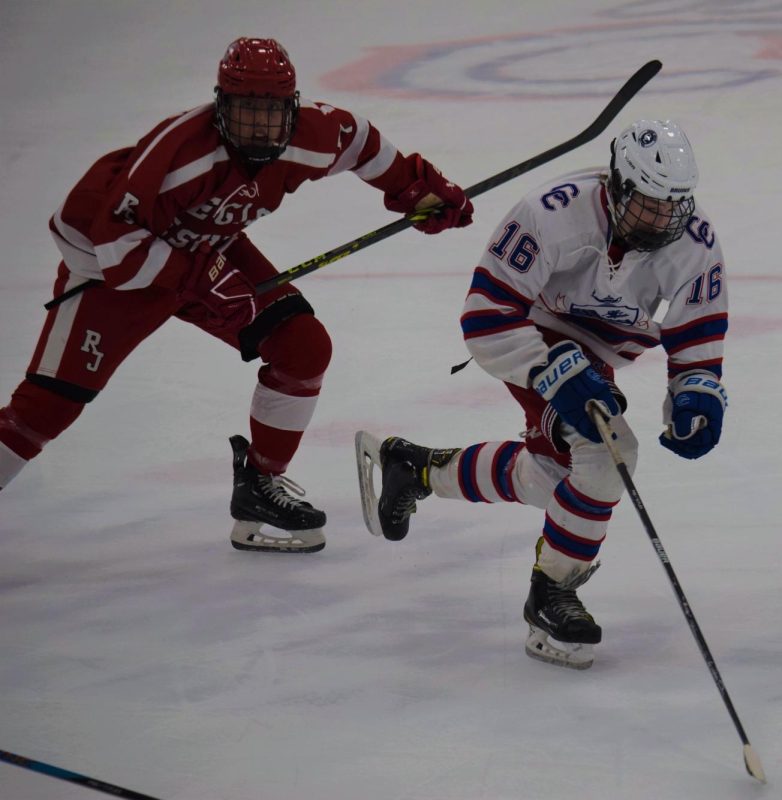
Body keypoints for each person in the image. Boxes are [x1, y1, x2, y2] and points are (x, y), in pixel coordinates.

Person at [0, 38, 474, 553]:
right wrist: (197, 278)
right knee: (43, 412)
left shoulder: (312, 133)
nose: (257, 127)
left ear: (291, 107)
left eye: (270, 113)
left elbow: (360, 142)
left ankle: (260, 487)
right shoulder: (179, 154)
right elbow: (116, 245)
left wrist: (415, 189)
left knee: (302, 347)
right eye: (245, 111)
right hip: (112, 268)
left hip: (207, 247)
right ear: (220, 108)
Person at [354, 119, 728, 668]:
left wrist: (696, 394)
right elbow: (485, 316)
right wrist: (550, 371)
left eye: (672, 206)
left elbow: (699, 333)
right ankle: (551, 593)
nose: (661, 219)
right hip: (529, 333)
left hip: (598, 354)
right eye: (648, 204)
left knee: (555, 478)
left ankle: (418, 469)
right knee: (607, 454)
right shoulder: (551, 214)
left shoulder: (694, 243)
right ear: (618, 185)